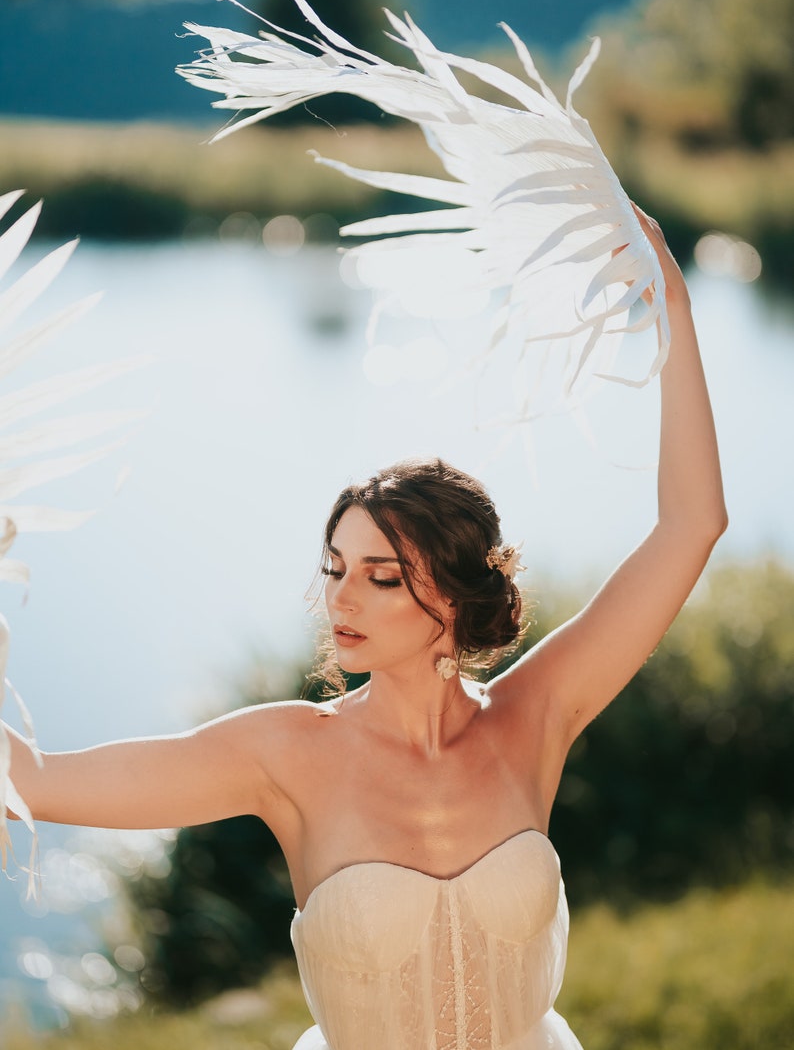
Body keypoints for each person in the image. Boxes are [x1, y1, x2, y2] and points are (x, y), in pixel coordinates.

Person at [3, 207, 726, 1049]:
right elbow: (32, 781)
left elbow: (691, 526)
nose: (343, 598)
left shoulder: (539, 712)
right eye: (334, 568)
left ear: (454, 595)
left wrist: (670, 307)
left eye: (381, 576)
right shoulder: (285, 754)